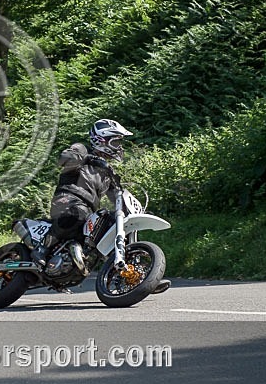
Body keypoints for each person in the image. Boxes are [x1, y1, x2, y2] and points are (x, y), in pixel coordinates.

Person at [31, 119, 170, 293]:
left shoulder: (107, 171)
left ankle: (137, 277)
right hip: (68, 199)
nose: (119, 146)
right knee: (78, 214)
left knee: (112, 221)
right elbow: (65, 158)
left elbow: (117, 195)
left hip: (89, 209)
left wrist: (132, 209)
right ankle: (42, 249)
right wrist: (85, 157)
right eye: (116, 141)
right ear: (101, 140)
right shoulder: (82, 149)